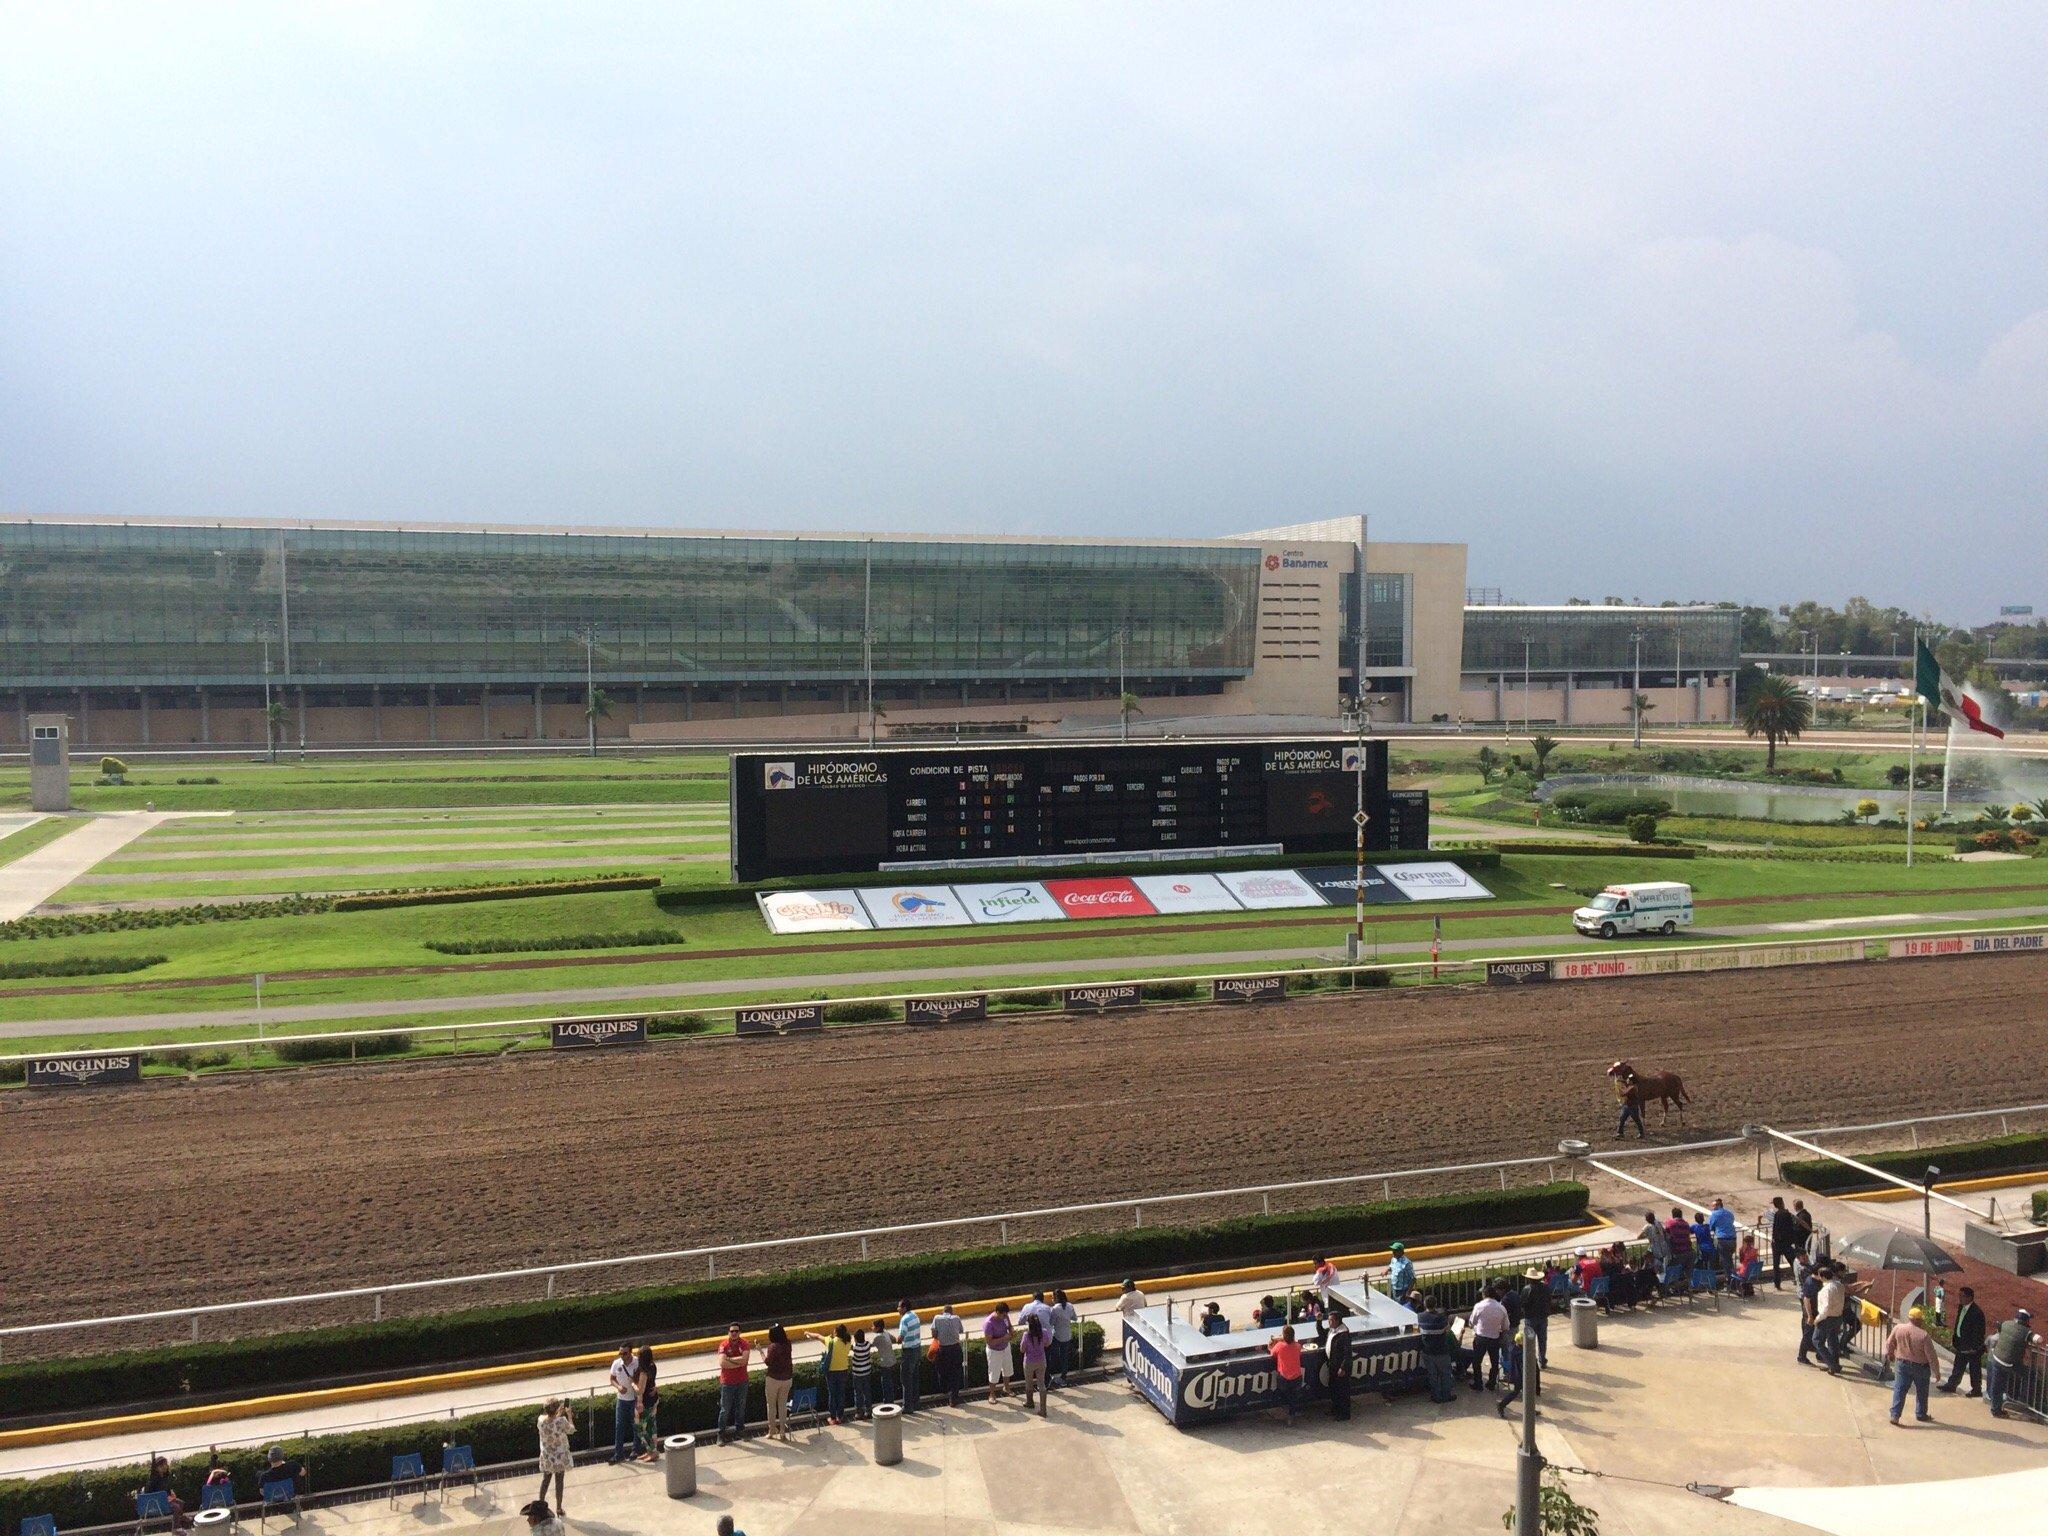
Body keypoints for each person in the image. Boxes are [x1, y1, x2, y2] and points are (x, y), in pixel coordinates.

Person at [1883, 1305, 1938, 1425]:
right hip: (1921, 1367)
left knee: (1900, 1389)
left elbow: (1889, 1343)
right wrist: (1936, 1372)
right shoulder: (1923, 1335)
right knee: (1922, 1391)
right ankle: (1921, 1413)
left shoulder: (1898, 1328)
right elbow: (1931, 1356)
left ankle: (1895, 1415)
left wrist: (1890, 1354)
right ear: (1918, 1320)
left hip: (1902, 1363)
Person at [1987, 1308, 2039, 1418]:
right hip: (2010, 1364)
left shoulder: (2006, 1324)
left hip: (1996, 1358)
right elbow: (2038, 1339)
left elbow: (1999, 1326)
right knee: (2031, 1375)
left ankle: (1995, 1409)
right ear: (2026, 1321)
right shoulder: (2026, 1332)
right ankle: (2024, 1400)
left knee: (1996, 1386)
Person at [1939, 1287, 1986, 1398]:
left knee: (1974, 1369)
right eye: (1959, 1295)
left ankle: (1976, 1389)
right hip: (1961, 1343)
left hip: (1971, 1346)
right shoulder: (1961, 1307)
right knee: (1958, 1366)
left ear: (1969, 1297)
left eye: (1962, 1296)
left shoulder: (1977, 1312)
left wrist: (1974, 1347)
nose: (1959, 1298)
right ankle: (1952, 1385)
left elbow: (1979, 1331)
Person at [808, 1323, 852, 1424]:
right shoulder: (848, 1341)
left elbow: (818, 1336)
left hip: (831, 1371)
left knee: (832, 1395)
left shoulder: (831, 1341)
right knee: (841, 1394)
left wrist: (808, 1333)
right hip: (843, 1370)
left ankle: (832, 1418)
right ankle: (840, 1417)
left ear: (836, 1332)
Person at [1416, 1294, 1457, 1403]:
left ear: (1425, 1304)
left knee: (1432, 1375)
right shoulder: (1441, 1318)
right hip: (1441, 1351)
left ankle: (1436, 1396)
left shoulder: (1420, 1317)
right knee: (1446, 1374)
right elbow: (1448, 1331)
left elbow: (1418, 1329)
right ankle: (1446, 1395)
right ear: (1436, 1304)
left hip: (1427, 1352)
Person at [536, 1399, 573, 1516]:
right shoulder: (562, 1421)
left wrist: (557, 1413)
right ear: (557, 1409)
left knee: (545, 1480)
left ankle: (540, 1507)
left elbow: (550, 1420)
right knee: (559, 1481)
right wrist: (569, 1415)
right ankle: (559, 1509)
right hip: (560, 1457)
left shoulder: (541, 1420)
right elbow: (571, 1430)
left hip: (547, 1457)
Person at [1467, 1287, 1509, 1391]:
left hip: (1480, 1337)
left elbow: (1472, 1322)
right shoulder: (1501, 1308)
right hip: (1494, 1338)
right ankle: (1491, 1383)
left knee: (1476, 1362)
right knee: (1494, 1362)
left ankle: (1478, 1383)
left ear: (1484, 1295)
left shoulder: (1479, 1306)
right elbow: (1505, 1326)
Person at [714, 1326, 750, 1444]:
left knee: (741, 1407)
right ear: (728, 1333)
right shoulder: (723, 1345)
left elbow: (745, 1360)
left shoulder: (744, 1343)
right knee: (725, 1409)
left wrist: (729, 1359)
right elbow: (722, 1363)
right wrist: (738, 1363)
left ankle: (740, 1430)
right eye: (732, 1331)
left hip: (742, 1381)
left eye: (736, 1331)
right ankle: (721, 1433)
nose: (734, 1333)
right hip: (727, 1382)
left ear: (739, 1332)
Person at [137, 1455, 190, 1532]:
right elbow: (148, 1494)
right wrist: (165, 1497)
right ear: (156, 1468)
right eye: (161, 1466)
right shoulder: (152, 1480)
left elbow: (167, 1492)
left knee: (181, 1503)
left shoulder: (165, 1478)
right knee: (176, 1507)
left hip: (164, 1501)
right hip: (156, 1505)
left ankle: (180, 1519)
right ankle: (176, 1528)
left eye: (165, 1464)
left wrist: (171, 1494)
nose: (164, 1467)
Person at [1495, 1321, 1537, 1419]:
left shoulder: (1514, 1348)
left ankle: (1530, 1409)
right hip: (1520, 1376)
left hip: (1516, 1374)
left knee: (1524, 1392)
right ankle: (1501, 1405)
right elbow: (1524, 1366)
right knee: (1518, 1392)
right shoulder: (1522, 1354)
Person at [1814, 1265, 1849, 1374]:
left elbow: (1826, 1308)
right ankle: (1834, 1364)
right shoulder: (1839, 1285)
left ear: (1823, 1277)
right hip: (1837, 1317)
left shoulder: (1826, 1290)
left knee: (1817, 1341)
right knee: (1833, 1342)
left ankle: (1833, 1365)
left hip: (1827, 1319)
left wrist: (1817, 1319)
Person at [1318, 1312, 1354, 1420]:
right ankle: (1335, 1409)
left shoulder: (1344, 1334)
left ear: (1337, 1321)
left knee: (1342, 1391)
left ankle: (1344, 1414)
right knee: (1334, 1389)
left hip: (1340, 1367)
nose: (1329, 1322)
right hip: (1332, 1365)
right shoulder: (1332, 1331)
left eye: (1331, 1320)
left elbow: (1347, 1353)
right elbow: (1322, 1333)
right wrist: (1318, 1322)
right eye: (1328, 1320)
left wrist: (1343, 1367)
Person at [607, 1343, 638, 1463]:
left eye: (624, 1353)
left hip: (634, 1399)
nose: (622, 1355)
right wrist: (618, 1387)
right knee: (619, 1427)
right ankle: (618, 1454)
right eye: (620, 1353)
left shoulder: (637, 1362)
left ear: (630, 1352)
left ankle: (635, 1450)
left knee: (636, 1426)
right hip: (622, 1400)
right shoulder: (616, 1363)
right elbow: (611, 1379)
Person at [1268, 1324, 1305, 1423]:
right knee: (1293, 1397)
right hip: (1297, 1377)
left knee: (1284, 1395)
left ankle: (1285, 1413)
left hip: (1284, 1378)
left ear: (1284, 1336)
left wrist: (1273, 1343)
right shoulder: (1297, 1346)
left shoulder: (1279, 1346)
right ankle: (1291, 1414)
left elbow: (1272, 1353)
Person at [763, 1323, 794, 1441]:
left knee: (771, 1406)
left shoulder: (773, 1347)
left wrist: (760, 1350)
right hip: (787, 1378)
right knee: (782, 1405)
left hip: (773, 1378)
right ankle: (782, 1433)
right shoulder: (788, 1344)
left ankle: (771, 1431)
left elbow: (767, 1362)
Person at [932, 1302, 967, 1407]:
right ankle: (953, 1399)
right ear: (951, 1312)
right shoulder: (956, 1318)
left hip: (943, 1349)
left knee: (942, 1370)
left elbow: (933, 1334)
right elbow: (961, 1330)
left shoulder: (937, 1318)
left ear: (943, 1312)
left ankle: (944, 1389)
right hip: (955, 1348)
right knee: (955, 1373)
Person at [983, 1301, 1016, 1402]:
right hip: (994, 1351)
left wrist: (1012, 1330)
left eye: (1006, 1314)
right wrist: (1004, 1338)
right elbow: (990, 1342)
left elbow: (1009, 1326)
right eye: (1003, 1314)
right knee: (994, 1373)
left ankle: (1006, 1388)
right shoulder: (988, 1323)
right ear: (997, 1312)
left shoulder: (1005, 1317)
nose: (1005, 1316)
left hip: (1006, 1347)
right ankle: (992, 1394)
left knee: (1007, 1369)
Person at [261, 1447, 308, 1516]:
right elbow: (303, 1473)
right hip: (291, 1495)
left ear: (269, 1459)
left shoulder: (264, 1476)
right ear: (282, 1456)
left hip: (273, 1500)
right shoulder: (293, 1465)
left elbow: (262, 1491)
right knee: (297, 1476)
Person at [635, 1344, 661, 1461]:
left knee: (641, 1429)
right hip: (653, 1400)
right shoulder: (653, 1366)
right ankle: (651, 1451)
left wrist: (632, 1383)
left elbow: (640, 1390)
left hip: (645, 1403)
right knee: (651, 1427)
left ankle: (652, 1451)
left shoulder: (643, 1371)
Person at [1020, 1315, 1050, 1416]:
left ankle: (1030, 1402)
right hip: (1041, 1361)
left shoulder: (1026, 1335)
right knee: (1042, 1385)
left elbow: (1022, 1349)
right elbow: (1047, 1343)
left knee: (1029, 1383)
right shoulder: (1044, 1332)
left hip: (1029, 1362)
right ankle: (1043, 1410)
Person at [896, 1302, 923, 1411]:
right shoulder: (915, 1315)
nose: (897, 1309)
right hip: (917, 1349)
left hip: (908, 1352)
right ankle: (916, 1403)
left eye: (899, 1307)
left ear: (904, 1308)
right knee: (915, 1378)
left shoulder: (904, 1319)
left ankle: (907, 1406)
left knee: (906, 1380)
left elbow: (901, 1338)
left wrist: (894, 1339)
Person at [1768, 1197, 1799, 1289]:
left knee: (1776, 1265)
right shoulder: (1786, 1213)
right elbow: (1790, 1227)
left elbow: (1776, 1228)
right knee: (1793, 1262)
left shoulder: (1777, 1214)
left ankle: (1777, 1283)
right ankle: (1798, 1278)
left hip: (1777, 1242)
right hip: (1785, 1243)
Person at [1051, 1289, 1079, 1385]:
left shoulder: (1055, 1309)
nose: (1052, 1299)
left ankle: (1050, 1375)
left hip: (1057, 1336)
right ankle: (1063, 1377)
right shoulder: (1070, 1306)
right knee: (1064, 1357)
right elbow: (1075, 1318)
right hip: (1067, 1335)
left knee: (1052, 1355)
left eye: (1052, 1297)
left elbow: (1051, 1322)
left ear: (1056, 1298)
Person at [849, 1326, 874, 1420]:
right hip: (867, 1372)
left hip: (857, 1374)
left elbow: (850, 1346)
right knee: (867, 1392)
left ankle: (859, 1412)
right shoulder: (867, 1345)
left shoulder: (855, 1347)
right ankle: (869, 1411)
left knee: (858, 1393)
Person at [1708, 1199, 1738, 1276]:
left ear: (1718, 1205)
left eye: (1714, 1206)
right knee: (1729, 1260)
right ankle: (1733, 1278)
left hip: (1723, 1240)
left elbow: (1711, 1226)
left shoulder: (1714, 1214)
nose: (1713, 1208)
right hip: (1733, 1240)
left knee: (1724, 1262)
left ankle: (1728, 1281)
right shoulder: (1729, 1213)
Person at [872, 1318, 898, 1406]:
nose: (872, 1328)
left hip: (885, 1363)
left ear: (878, 1328)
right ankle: (891, 1401)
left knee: (886, 1384)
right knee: (890, 1382)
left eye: (873, 1326)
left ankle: (888, 1403)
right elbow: (894, 1339)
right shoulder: (886, 1332)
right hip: (892, 1360)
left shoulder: (877, 1337)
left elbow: (870, 1345)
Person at [1615, 1072, 1646, 1139]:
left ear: (1631, 1081)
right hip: (1627, 1106)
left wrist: (1618, 1088)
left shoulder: (1632, 1088)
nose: (1627, 1080)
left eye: (1628, 1079)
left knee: (1636, 1120)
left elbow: (1623, 1094)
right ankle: (1620, 1133)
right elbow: (1625, 1083)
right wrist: (1619, 1081)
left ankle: (1642, 1133)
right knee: (1622, 1119)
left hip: (1632, 1107)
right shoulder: (1631, 1086)